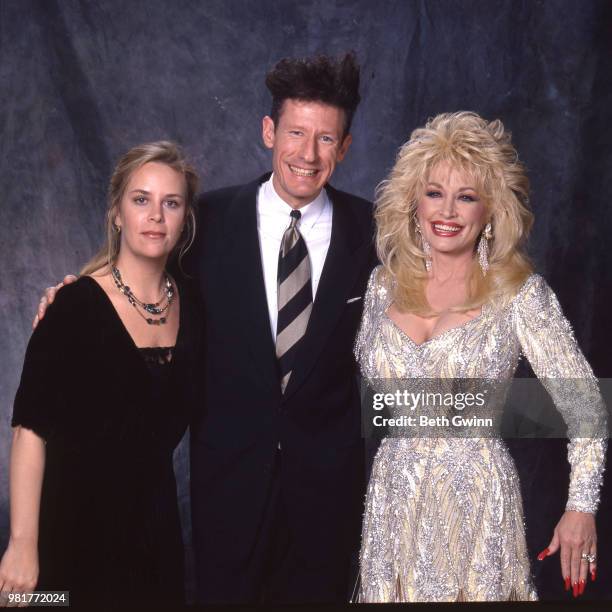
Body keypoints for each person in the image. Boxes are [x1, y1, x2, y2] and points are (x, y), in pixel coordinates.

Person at [32, 53, 377, 604]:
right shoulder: (207, 220)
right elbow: (138, 269)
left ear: (346, 146)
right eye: (295, 133)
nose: (308, 155)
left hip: (327, 507)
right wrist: (74, 295)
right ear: (269, 131)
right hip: (227, 501)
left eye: (326, 139)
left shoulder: (376, 232)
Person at [354, 112, 607, 602]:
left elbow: (585, 405)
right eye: (434, 192)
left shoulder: (520, 295)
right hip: (392, 501)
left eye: (466, 196)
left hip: (475, 505)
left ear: (490, 210)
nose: (446, 210)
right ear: (412, 200)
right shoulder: (380, 286)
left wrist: (581, 506)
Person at [0, 142, 202, 606]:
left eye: (170, 203)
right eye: (140, 200)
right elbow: (29, 431)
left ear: (184, 218)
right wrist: (22, 544)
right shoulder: (73, 307)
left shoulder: (195, 309)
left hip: (156, 538)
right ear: (117, 213)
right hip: (67, 535)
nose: (155, 215)